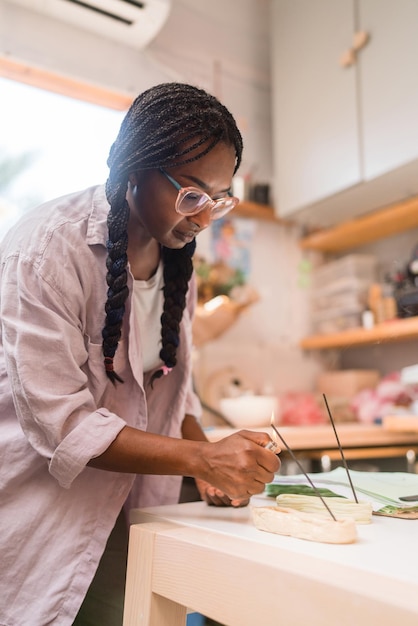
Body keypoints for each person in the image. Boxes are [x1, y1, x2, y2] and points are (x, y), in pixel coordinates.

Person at [0, 82, 280, 626]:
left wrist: (209, 462)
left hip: (132, 513)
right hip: (44, 518)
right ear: (135, 167)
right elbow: (64, 425)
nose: (202, 218)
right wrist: (199, 459)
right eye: (192, 195)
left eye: (218, 201)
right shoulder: (47, 250)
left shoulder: (178, 261)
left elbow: (172, 389)